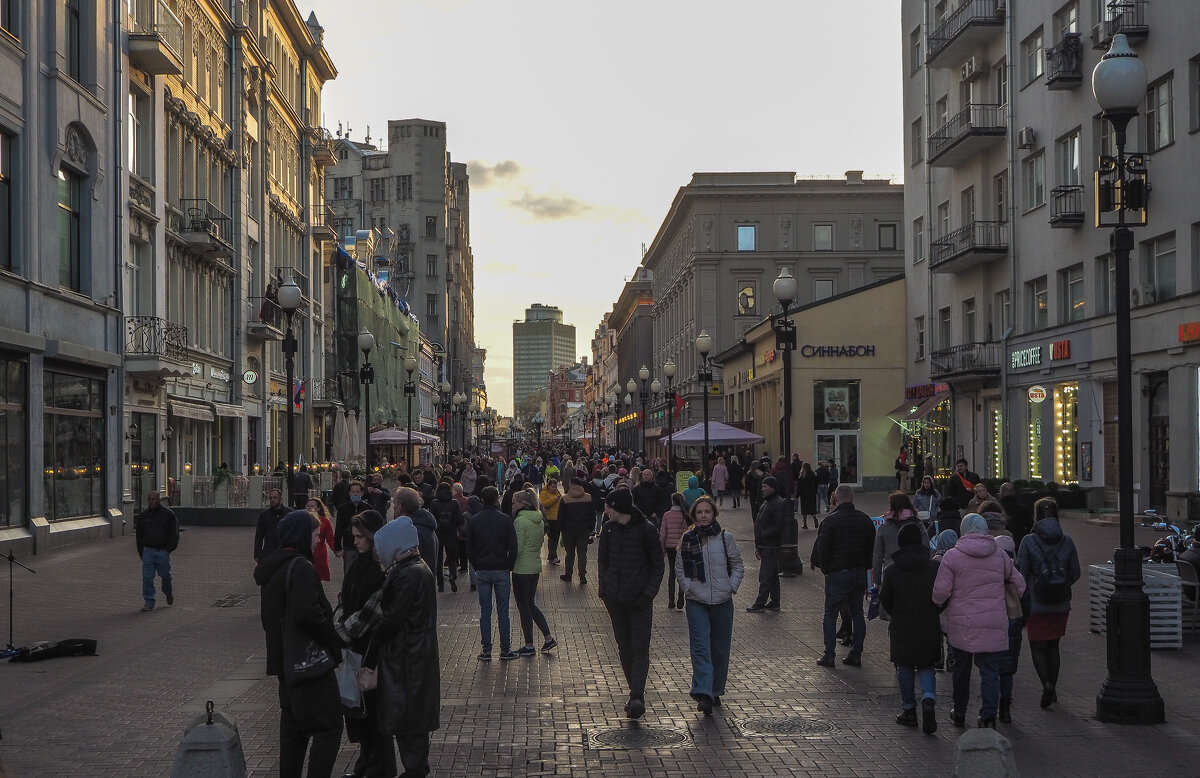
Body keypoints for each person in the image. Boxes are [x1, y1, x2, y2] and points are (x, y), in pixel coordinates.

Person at [253, 510, 343, 778]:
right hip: (309, 664)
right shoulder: (300, 567)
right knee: (329, 728)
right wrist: (332, 643)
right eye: (315, 535)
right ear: (302, 535)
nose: (318, 541)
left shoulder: (273, 568)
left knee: (293, 732)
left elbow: (268, 618)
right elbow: (310, 614)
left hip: (284, 663)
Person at [933, 513, 1026, 729]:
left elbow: (939, 594)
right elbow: (1020, 587)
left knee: (961, 670)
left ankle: (960, 712)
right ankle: (988, 716)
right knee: (990, 670)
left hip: (961, 622)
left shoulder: (952, 556)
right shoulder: (1001, 555)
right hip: (993, 621)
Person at [371, 517, 441, 778]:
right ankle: (415, 766)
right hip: (412, 650)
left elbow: (392, 618)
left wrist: (373, 636)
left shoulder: (408, 573)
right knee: (411, 714)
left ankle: (414, 768)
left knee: (408, 714)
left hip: (408, 653)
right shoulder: (413, 568)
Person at [597, 488, 665, 720]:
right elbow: (603, 561)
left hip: (639, 601)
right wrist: (603, 590)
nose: (605, 510)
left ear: (620, 508)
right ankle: (634, 693)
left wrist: (648, 594)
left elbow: (658, 565)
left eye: (609, 506)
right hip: (615, 600)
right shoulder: (608, 530)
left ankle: (637, 695)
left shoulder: (646, 530)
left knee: (639, 647)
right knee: (624, 647)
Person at [333, 510, 391, 778]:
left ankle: (377, 766)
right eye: (353, 536)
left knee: (372, 712)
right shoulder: (358, 564)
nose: (355, 541)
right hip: (354, 649)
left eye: (359, 537)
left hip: (369, 650)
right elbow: (344, 600)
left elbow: (372, 611)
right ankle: (368, 763)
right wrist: (339, 625)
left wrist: (343, 632)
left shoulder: (381, 568)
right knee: (360, 712)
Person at [675, 496, 744, 715]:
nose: (703, 515)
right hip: (697, 601)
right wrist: (689, 587)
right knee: (701, 646)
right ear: (694, 516)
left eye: (707, 512)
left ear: (714, 514)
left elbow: (737, 565)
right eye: (699, 512)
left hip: (723, 601)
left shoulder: (725, 538)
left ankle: (715, 690)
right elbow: (679, 569)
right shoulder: (687, 539)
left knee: (720, 648)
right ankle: (703, 692)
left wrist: (730, 587)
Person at [1016, 497, 1081, 711]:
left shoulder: (1028, 541)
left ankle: (1047, 684)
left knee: (1037, 645)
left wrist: (1034, 589)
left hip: (1036, 603)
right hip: (1061, 603)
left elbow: (1022, 573)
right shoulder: (1067, 541)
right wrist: (1060, 584)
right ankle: (1053, 685)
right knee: (1054, 645)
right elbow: (1076, 573)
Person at [879, 522, 941, 734]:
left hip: (902, 623)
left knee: (904, 666)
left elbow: (885, 599)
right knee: (926, 665)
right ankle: (929, 699)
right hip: (928, 621)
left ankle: (909, 710)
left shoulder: (893, 570)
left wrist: (896, 612)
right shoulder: (934, 567)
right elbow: (942, 595)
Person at [810, 485, 876, 667]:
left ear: (836, 498)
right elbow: (872, 547)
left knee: (830, 613)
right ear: (853, 497)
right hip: (859, 571)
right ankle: (856, 653)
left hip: (838, 572)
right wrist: (866, 567)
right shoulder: (865, 520)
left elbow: (823, 548)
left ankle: (829, 654)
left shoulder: (831, 521)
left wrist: (827, 569)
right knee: (857, 613)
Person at [465, 486, 519, 660]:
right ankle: (505, 650)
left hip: (483, 570)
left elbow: (469, 548)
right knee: (503, 611)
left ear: (482, 499)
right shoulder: (505, 520)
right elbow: (513, 546)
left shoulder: (475, 520)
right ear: (496, 499)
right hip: (501, 568)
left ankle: (487, 650)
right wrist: (509, 564)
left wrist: (476, 564)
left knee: (485, 611)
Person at [512, 489, 557, 656]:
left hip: (521, 568)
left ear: (523, 504)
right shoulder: (538, 519)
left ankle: (529, 645)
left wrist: (508, 561)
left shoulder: (520, 521)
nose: (513, 506)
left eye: (514, 503)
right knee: (530, 603)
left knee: (523, 606)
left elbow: (518, 547)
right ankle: (547, 637)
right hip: (535, 565)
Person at [873, 492, 929, 599]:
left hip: (891, 572)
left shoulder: (884, 527)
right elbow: (926, 547)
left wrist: (876, 580)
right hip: (916, 571)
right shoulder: (918, 524)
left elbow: (877, 556)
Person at [746, 476, 788, 613]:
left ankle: (760, 602)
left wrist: (763, 534)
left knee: (765, 575)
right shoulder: (767, 502)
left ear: (773, 488)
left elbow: (779, 525)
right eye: (762, 486)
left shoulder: (777, 503)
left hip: (770, 545)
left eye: (765, 486)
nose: (762, 489)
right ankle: (775, 601)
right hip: (766, 544)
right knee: (772, 574)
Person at [135, 491, 179, 611]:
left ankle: (168, 592)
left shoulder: (168, 514)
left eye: (154, 499)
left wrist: (168, 549)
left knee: (165, 576)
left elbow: (174, 533)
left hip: (162, 551)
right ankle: (149, 601)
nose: (151, 502)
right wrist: (141, 551)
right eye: (149, 499)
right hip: (148, 551)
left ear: (159, 500)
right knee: (147, 577)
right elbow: (139, 535)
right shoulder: (144, 517)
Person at [559, 477, 595, 584]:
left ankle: (568, 574)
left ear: (571, 485)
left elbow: (561, 516)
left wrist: (562, 529)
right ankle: (582, 576)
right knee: (582, 554)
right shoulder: (588, 497)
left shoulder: (565, 498)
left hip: (568, 531)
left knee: (569, 553)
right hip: (583, 530)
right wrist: (590, 529)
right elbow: (592, 515)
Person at [430, 482, 464, 593]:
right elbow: (460, 518)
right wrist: (457, 528)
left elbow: (431, 519)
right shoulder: (454, 503)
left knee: (438, 560)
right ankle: (452, 576)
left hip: (438, 533)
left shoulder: (434, 503)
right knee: (451, 558)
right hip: (451, 533)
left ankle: (440, 584)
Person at [659, 492, 690, 610]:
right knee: (682, 572)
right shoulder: (686, 515)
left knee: (672, 572)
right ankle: (681, 595)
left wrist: (662, 550)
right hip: (683, 547)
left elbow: (663, 534)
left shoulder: (667, 515)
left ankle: (671, 600)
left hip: (670, 546)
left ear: (672, 501)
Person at [333, 481, 367, 569]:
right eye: (353, 492)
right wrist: (337, 547)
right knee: (349, 570)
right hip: (349, 545)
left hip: (365, 546)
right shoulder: (343, 508)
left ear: (362, 493)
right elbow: (339, 528)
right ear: (349, 493)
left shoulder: (367, 508)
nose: (355, 494)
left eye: (357, 492)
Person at [303, 497, 336, 583]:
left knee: (317, 577)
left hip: (320, 552)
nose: (310, 508)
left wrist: (336, 549)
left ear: (318, 508)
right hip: (304, 551)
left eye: (312, 506)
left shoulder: (325, 521)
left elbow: (330, 538)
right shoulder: (301, 519)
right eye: (308, 506)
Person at [254, 487, 289, 561]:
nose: (272, 500)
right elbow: (259, 535)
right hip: (269, 550)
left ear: (281, 498)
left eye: (275, 498)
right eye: (270, 498)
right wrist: (257, 553)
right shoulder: (264, 515)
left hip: (285, 550)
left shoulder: (289, 513)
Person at [999, 483, 1033, 547]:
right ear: (1014, 492)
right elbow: (1031, 526)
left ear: (1001, 493)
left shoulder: (996, 509)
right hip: (1019, 542)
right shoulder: (1024, 509)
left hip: (1000, 542)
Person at [539, 478, 563, 565]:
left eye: (556, 486)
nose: (555, 488)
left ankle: (552, 556)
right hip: (549, 519)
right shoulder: (543, 493)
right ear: (548, 486)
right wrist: (553, 499)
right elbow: (542, 504)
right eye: (553, 487)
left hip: (557, 519)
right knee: (551, 538)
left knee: (556, 538)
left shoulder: (558, 493)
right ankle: (553, 556)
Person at [795, 462, 818, 530]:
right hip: (811, 495)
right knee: (812, 508)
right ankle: (815, 518)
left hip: (804, 495)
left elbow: (799, 486)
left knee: (804, 509)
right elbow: (816, 484)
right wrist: (814, 492)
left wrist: (798, 494)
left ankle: (805, 524)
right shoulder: (813, 474)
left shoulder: (802, 475)